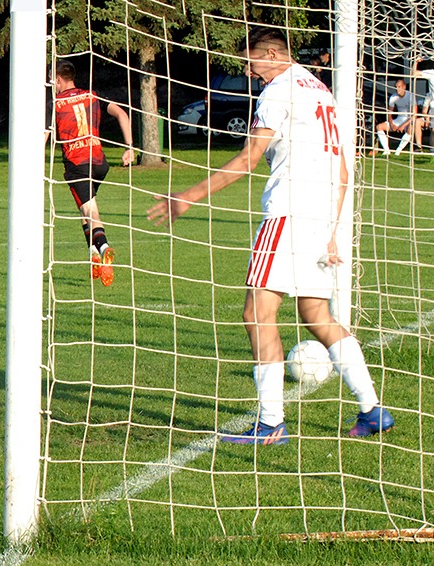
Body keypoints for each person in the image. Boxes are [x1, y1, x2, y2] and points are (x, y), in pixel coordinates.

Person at [147, 26, 394, 445]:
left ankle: (270, 423)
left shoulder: (279, 90)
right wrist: (333, 230)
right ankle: (372, 409)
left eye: (252, 62)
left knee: (256, 314)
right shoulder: (321, 90)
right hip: (319, 218)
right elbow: (344, 172)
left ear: (274, 53)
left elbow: (248, 158)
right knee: (317, 315)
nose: (250, 71)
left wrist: (187, 195)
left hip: (288, 215)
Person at [49, 60, 135, 286]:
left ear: (58, 79)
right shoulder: (92, 95)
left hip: (78, 164)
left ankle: (104, 247)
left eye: (51, 79)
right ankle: (93, 254)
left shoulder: (56, 103)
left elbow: (45, 134)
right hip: (99, 162)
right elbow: (122, 115)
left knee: (91, 212)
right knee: (86, 208)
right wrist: (129, 147)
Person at [371, 78, 419, 156]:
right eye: (396, 87)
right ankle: (386, 150)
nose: (397, 89)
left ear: (404, 87)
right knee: (379, 126)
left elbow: (415, 114)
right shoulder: (393, 97)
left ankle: (398, 150)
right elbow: (389, 113)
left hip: (408, 120)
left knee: (411, 128)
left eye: (399, 87)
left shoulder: (410, 96)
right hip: (399, 119)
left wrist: (403, 125)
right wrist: (392, 123)